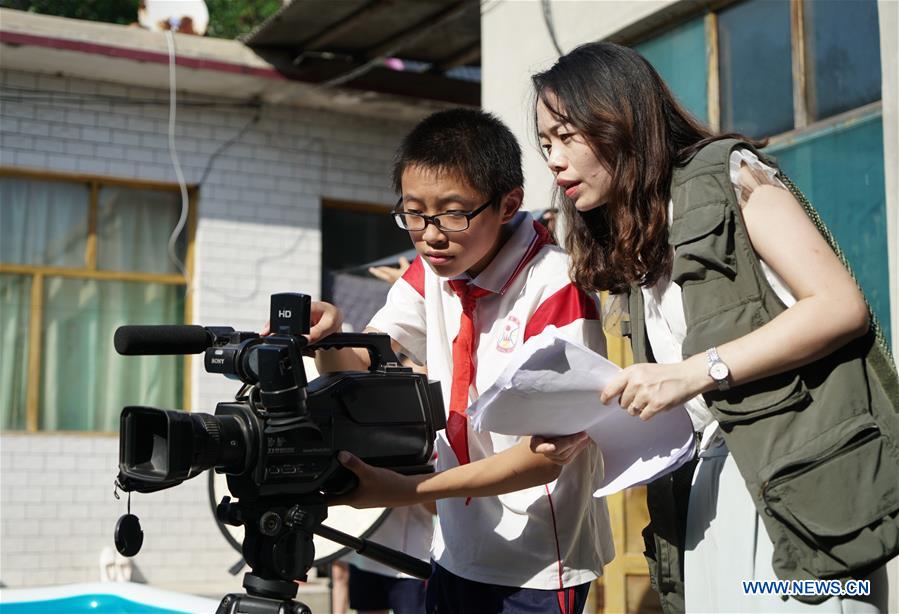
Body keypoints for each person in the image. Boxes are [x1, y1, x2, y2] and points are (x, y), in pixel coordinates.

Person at [530, 42, 896, 613]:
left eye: (566, 135)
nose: (553, 160)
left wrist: (696, 372)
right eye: (545, 143)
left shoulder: (729, 174)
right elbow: (682, 396)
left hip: (796, 490)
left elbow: (838, 305)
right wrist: (594, 432)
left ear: (619, 117)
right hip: (707, 487)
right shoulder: (639, 243)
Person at [308, 108, 614, 613]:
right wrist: (326, 336)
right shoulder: (435, 272)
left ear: (509, 203)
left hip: (534, 564)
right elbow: (361, 368)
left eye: (453, 213)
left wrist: (408, 489)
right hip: (452, 548)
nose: (430, 235)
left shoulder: (555, 287)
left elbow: (543, 457)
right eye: (413, 213)